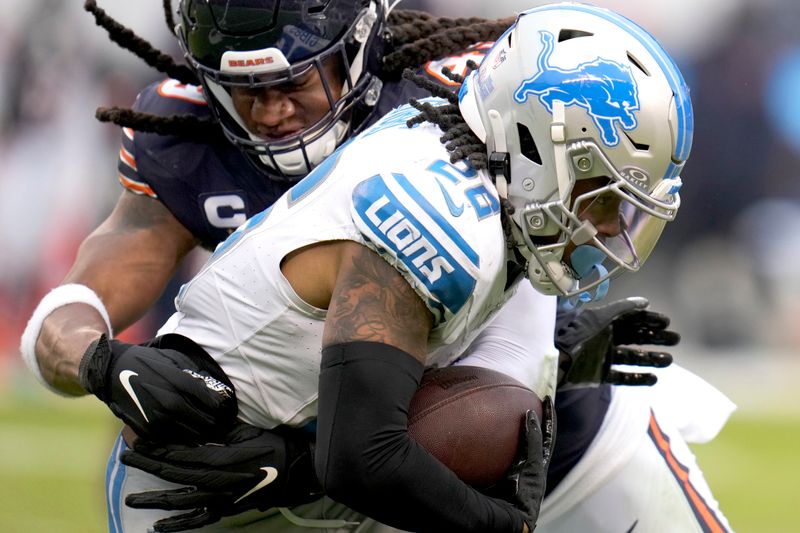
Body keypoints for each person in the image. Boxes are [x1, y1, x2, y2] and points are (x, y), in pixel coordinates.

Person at [20, 1, 733, 532]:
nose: (270, 110)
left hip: (450, 420)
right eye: (245, 88)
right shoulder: (186, 138)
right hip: (329, 447)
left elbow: (507, 372)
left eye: (296, 78)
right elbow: (72, 308)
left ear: (359, 44)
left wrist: (555, 351)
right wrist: (100, 363)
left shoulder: (462, 101)